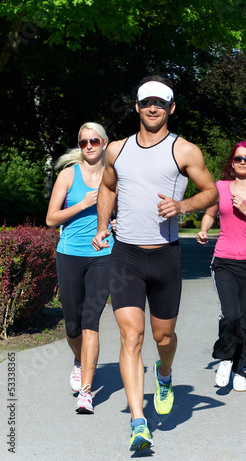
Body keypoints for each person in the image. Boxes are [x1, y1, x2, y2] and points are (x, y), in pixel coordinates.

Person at [91, 76, 218, 451]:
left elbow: (211, 192)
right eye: (146, 102)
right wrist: (102, 226)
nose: (152, 108)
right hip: (126, 255)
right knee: (131, 336)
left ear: (171, 108)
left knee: (163, 337)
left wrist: (183, 206)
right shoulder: (116, 149)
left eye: (160, 103)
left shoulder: (184, 151)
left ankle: (164, 374)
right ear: (136, 106)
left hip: (165, 256)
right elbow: (108, 187)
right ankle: (138, 422)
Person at [46, 122, 114, 414]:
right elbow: (51, 218)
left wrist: (115, 223)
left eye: (94, 141)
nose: (89, 146)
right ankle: (79, 360)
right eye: (84, 141)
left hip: (104, 254)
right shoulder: (67, 175)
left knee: (90, 321)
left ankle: (85, 393)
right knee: (72, 324)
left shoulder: (114, 177)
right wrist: (84, 202)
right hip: (69, 253)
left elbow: (123, 211)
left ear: (104, 144)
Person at [196, 141, 246, 392]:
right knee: (231, 314)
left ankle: (241, 369)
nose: (242, 162)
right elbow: (209, 214)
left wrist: (245, 210)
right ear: (232, 162)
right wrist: (204, 229)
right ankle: (226, 358)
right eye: (238, 158)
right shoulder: (219, 188)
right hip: (224, 261)